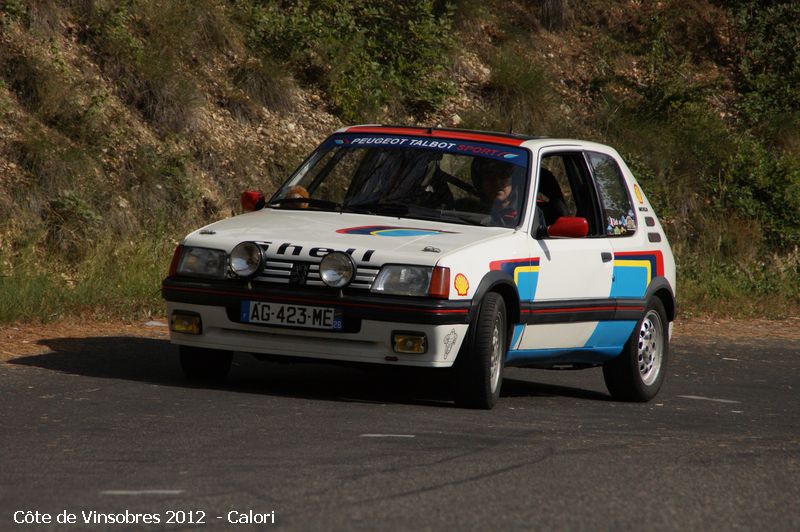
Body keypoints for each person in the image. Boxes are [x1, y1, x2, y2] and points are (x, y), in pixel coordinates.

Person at [470, 157, 520, 225]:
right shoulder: (466, 210)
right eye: (490, 178)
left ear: (513, 180)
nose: (497, 183)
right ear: (480, 182)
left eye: (503, 176)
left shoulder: (529, 213)